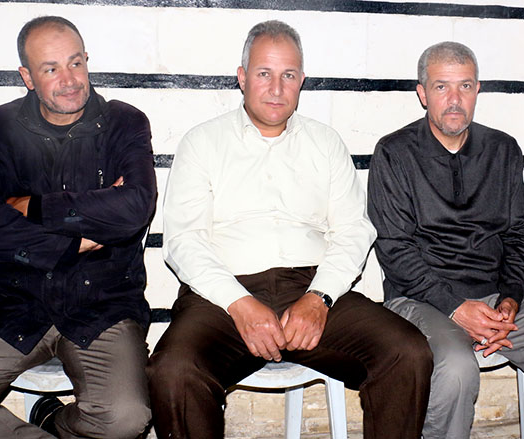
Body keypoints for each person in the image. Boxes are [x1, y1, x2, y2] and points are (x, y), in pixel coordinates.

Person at [146, 20, 432, 439]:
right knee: (172, 371)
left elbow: (353, 231)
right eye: (264, 73)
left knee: (407, 352)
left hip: (311, 287)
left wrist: (320, 298)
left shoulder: (326, 143)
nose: (277, 88)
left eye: (289, 75)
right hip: (221, 296)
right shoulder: (202, 143)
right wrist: (240, 304)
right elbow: (184, 241)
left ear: (302, 80)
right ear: (242, 77)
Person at [367, 41, 524, 439]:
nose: (454, 99)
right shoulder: (394, 153)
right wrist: (457, 308)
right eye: (441, 87)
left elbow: (518, 236)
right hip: (421, 300)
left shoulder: (502, 150)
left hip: (495, 298)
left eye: (465, 86)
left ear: (478, 90)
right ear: (423, 93)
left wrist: (511, 299)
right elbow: (394, 250)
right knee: (457, 369)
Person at [0, 16, 155, 439]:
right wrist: (69, 244)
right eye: (51, 69)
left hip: (101, 306)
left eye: (75, 63)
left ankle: (51, 420)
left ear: (87, 61)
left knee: (125, 418)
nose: (69, 80)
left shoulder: (124, 123)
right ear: (27, 77)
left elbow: (134, 208)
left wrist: (33, 206)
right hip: (11, 304)